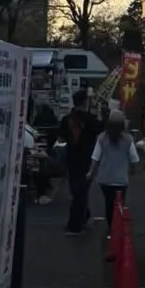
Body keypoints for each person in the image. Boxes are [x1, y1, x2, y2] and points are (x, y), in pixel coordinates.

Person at [88, 109, 140, 230]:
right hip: (121, 180)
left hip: (105, 179)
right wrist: (133, 169)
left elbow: (95, 158)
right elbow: (134, 159)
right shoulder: (128, 139)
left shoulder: (102, 138)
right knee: (120, 203)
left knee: (108, 203)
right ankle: (118, 227)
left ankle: (111, 227)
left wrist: (91, 173)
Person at [59, 89, 100, 235]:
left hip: (72, 158)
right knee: (82, 191)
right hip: (88, 160)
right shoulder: (91, 120)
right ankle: (76, 223)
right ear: (85, 102)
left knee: (77, 190)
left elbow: (62, 137)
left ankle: (81, 218)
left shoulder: (67, 119)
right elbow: (102, 128)